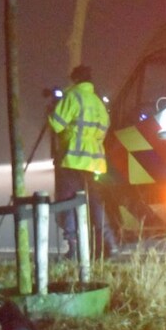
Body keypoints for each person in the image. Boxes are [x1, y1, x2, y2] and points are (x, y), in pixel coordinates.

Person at [48, 65, 118, 258]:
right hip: (94, 163)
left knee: (68, 203)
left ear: (75, 80)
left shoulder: (73, 97)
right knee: (95, 203)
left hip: (72, 160)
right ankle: (110, 243)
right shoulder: (98, 103)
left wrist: (54, 106)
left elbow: (56, 123)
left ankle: (74, 247)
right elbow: (103, 132)